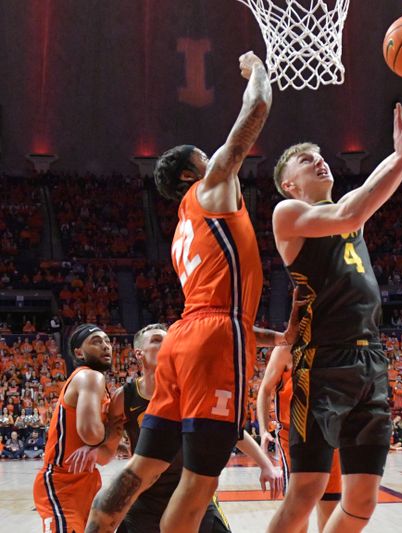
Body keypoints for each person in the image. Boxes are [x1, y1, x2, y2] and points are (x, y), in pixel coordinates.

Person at [86, 51, 282, 533]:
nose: (214, 158)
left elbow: (214, 305)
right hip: (215, 338)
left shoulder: (182, 228)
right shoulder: (211, 188)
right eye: (204, 156)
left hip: (185, 335)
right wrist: (258, 69)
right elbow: (254, 113)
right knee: (198, 484)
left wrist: (274, 338)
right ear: (192, 173)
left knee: (143, 468)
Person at [265, 38, 402, 533]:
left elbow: (401, 162)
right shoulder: (291, 216)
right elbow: (358, 204)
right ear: (290, 184)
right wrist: (396, 160)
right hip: (322, 362)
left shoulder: (349, 218)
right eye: (306, 160)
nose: (320, 161)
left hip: (370, 361)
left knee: (363, 501)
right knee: (306, 490)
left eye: (320, 155)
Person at [112, 324, 281, 532]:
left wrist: (266, 465)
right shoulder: (124, 396)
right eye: (157, 340)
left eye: (169, 340)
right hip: (146, 497)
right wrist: (112, 446)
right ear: (139, 353)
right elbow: (105, 437)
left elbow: (228, 429)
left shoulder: (192, 389)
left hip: (192, 490)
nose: (166, 344)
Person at [33, 324, 121, 533]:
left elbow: (104, 456)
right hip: (61, 481)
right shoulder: (88, 376)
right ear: (79, 352)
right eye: (96, 342)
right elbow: (92, 435)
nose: (106, 346)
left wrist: (102, 441)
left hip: (87, 481)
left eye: (107, 341)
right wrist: (112, 430)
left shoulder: (102, 386)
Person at [257, 344, 341, 532]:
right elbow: (265, 390)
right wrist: (263, 430)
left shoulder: (338, 346)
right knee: (298, 511)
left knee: (330, 508)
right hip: (294, 436)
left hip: (331, 435)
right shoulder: (285, 350)